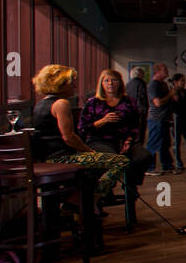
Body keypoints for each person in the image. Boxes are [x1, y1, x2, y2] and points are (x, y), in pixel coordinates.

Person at [29, 64, 130, 199]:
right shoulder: (61, 104)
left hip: (47, 157)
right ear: (60, 84)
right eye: (71, 83)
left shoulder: (40, 104)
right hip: (64, 158)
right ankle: (92, 197)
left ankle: (74, 205)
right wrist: (89, 151)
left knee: (94, 170)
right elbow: (69, 137)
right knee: (121, 161)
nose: (74, 87)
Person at [78, 69, 151, 191]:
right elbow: (82, 128)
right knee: (113, 158)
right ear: (101, 83)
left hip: (124, 140)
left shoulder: (129, 101)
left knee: (144, 156)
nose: (110, 83)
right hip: (99, 141)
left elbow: (135, 125)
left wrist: (128, 140)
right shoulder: (93, 103)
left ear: (120, 83)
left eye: (114, 80)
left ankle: (130, 185)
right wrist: (103, 121)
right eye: (106, 80)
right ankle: (104, 189)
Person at [144, 62, 177, 176]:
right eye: (165, 69)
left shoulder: (163, 84)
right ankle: (149, 167)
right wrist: (170, 94)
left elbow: (167, 100)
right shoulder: (154, 85)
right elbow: (158, 103)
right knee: (153, 144)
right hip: (156, 119)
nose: (167, 71)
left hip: (164, 118)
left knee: (165, 144)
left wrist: (172, 96)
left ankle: (167, 165)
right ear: (157, 71)